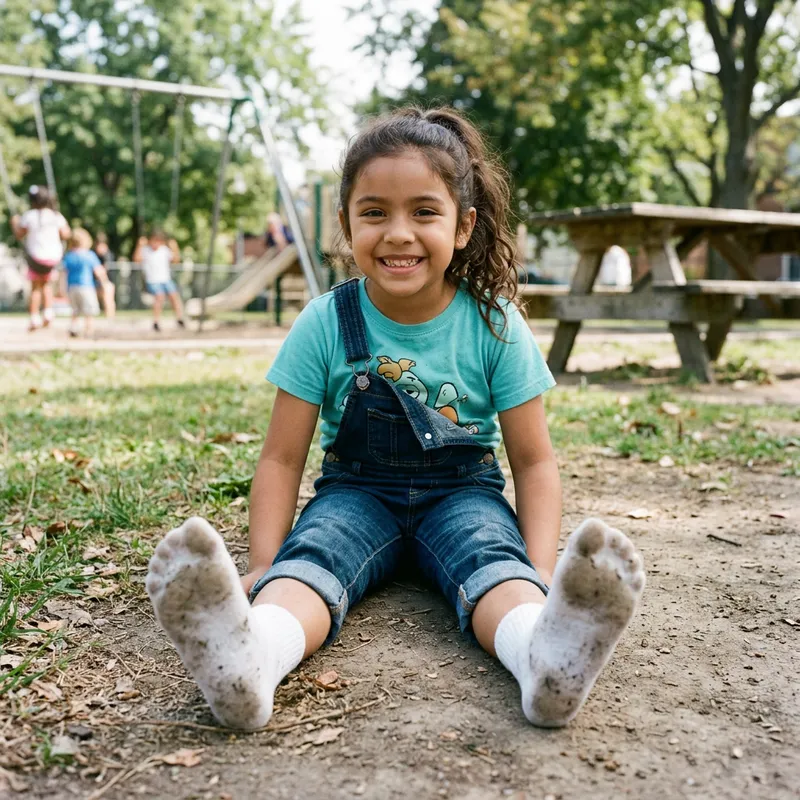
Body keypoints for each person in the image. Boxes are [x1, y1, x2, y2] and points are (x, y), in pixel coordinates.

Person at [145, 107, 645, 732]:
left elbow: (535, 461)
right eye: (375, 212)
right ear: (347, 223)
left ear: (463, 227)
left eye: (424, 212)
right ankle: (253, 656)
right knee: (312, 561)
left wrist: (541, 570)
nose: (398, 232)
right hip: (357, 494)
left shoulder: (495, 324)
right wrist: (267, 561)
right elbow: (280, 458)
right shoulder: (325, 321)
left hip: (463, 494)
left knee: (495, 565)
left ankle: (542, 655)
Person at [10, 185, 70, 331]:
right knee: (47, 284)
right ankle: (48, 313)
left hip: (36, 257)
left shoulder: (29, 216)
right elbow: (66, 234)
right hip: (53, 257)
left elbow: (19, 234)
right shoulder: (55, 216)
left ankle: (34, 318)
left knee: (35, 287)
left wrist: (14, 223)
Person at [132, 229, 185, 332]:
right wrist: (139, 245)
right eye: (154, 240)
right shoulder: (145, 250)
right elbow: (137, 259)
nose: (156, 243)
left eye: (159, 241)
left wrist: (175, 248)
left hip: (165, 279)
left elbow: (175, 260)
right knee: (159, 297)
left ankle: (179, 318)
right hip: (153, 280)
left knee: (174, 297)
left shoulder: (164, 250)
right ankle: (156, 322)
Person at [62, 228, 105, 337]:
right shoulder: (89, 255)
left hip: (72, 286)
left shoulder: (69, 256)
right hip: (86, 286)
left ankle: (73, 327)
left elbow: (64, 273)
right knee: (89, 310)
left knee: (75, 310)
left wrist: (61, 288)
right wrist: (104, 282)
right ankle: (89, 330)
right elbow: (98, 270)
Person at [92, 232, 116, 318]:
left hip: (107, 281)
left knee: (108, 299)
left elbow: (104, 270)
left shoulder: (108, 255)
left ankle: (110, 317)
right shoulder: (94, 255)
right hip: (95, 282)